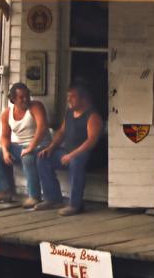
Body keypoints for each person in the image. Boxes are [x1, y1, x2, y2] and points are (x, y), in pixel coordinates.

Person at [35, 83, 104, 216]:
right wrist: (51, 147)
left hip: (87, 157)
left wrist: (72, 155)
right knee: (43, 157)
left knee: (76, 162)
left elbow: (91, 142)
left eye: (72, 97)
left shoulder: (92, 116)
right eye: (68, 97)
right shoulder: (70, 113)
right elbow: (61, 132)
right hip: (68, 152)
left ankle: (75, 205)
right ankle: (52, 198)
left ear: (83, 99)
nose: (69, 100)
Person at [0, 82, 50, 208]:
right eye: (22, 97)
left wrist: (30, 147)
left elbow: (42, 128)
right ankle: (3, 192)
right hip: (19, 146)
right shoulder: (7, 114)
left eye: (27, 96)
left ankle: (34, 196)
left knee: (28, 157)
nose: (26, 99)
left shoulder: (35, 106)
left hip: (39, 145)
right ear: (13, 99)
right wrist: (5, 151)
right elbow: (4, 137)